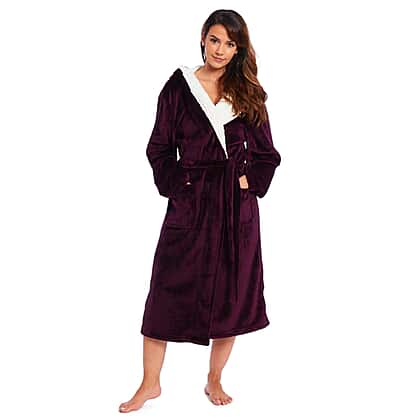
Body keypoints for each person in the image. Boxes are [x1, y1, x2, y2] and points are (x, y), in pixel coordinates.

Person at [119, 9, 281, 412]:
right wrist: (180, 187)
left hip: (235, 210)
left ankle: (214, 378)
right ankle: (150, 383)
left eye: (230, 43)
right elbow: (159, 148)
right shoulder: (179, 87)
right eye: (214, 40)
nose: (220, 50)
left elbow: (267, 154)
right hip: (190, 205)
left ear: (239, 49)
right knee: (165, 291)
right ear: (203, 38)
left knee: (232, 296)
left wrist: (248, 183)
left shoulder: (247, 93)